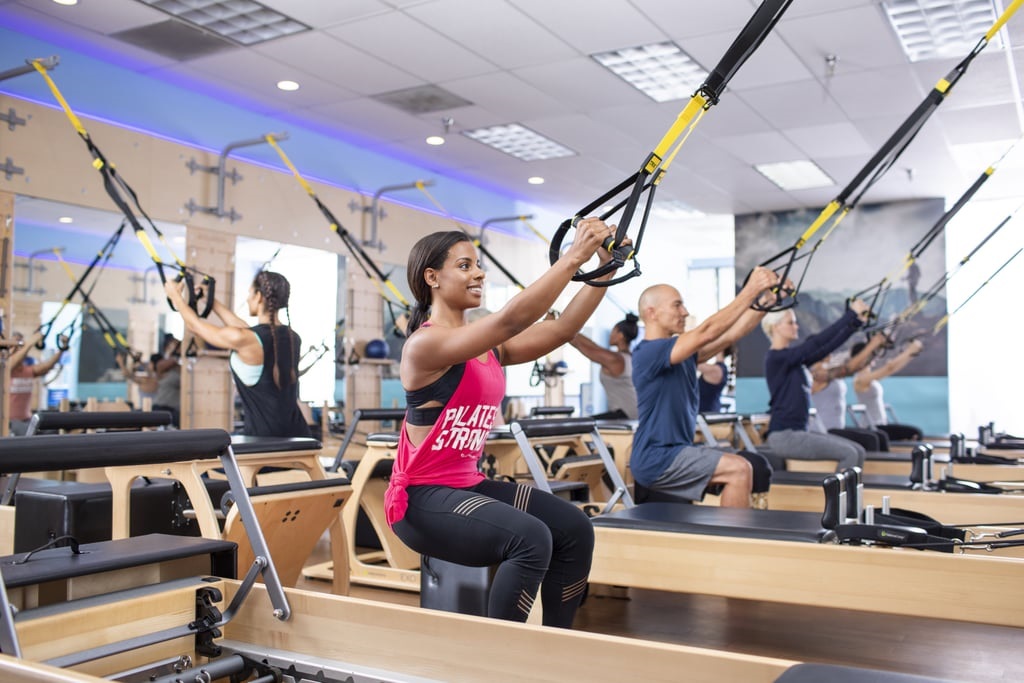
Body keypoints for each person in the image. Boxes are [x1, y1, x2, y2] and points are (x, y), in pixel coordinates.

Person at [384, 220, 618, 627]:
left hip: (466, 485)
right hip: (420, 501)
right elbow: (511, 320)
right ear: (432, 277)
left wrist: (606, 267)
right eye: (465, 265)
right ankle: (503, 661)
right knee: (530, 538)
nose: (478, 273)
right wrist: (575, 255)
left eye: (478, 265)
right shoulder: (426, 344)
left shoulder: (487, 346)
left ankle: (553, 648)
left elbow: (563, 328)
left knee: (574, 528)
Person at [630, 269, 779, 509]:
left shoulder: (682, 354)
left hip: (676, 451)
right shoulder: (648, 352)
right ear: (652, 313)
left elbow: (732, 334)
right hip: (656, 457)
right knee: (739, 469)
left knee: (745, 468)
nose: (685, 312)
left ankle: (736, 539)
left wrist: (764, 303)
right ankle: (733, 545)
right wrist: (750, 290)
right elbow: (708, 331)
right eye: (677, 305)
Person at [165, 270, 310, 437]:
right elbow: (246, 331)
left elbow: (195, 326)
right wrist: (210, 300)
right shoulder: (292, 337)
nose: (247, 298)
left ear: (259, 296)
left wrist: (175, 296)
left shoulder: (248, 339)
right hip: (298, 433)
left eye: (249, 293)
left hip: (264, 439)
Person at [762, 301, 871, 471]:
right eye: (791, 323)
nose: (796, 327)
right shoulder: (776, 359)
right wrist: (850, 314)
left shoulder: (794, 361)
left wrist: (855, 324)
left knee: (859, 451)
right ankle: (839, 497)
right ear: (775, 327)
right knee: (850, 454)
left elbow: (826, 347)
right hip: (785, 436)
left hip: (799, 432)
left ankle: (849, 495)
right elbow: (816, 342)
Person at [809, 333, 889, 451]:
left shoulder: (829, 369)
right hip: (824, 430)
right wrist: (872, 345)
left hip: (837, 428)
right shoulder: (815, 375)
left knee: (880, 437)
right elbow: (849, 367)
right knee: (871, 440)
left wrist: (877, 348)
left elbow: (856, 366)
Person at [568, 312, 639, 420]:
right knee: (583, 423)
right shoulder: (628, 357)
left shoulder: (616, 360)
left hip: (626, 415)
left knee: (582, 424)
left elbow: (584, 346)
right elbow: (593, 346)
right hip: (629, 413)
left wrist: (563, 331)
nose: (610, 335)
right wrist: (564, 327)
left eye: (613, 331)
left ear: (620, 335)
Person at [852, 337, 924, 441]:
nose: (875, 356)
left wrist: (910, 355)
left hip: (880, 424)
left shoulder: (868, 376)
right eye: (872, 354)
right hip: (871, 427)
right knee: (915, 433)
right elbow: (889, 368)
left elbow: (893, 368)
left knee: (915, 433)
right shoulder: (860, 379)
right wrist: (909, 351)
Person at [8, 331, 63, 436]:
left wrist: (62, 349)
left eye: (20, 346)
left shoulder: (27, 370)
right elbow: (10, 363)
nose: (19, 349)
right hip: (9, 423)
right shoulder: (5, 371)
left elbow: (47, 366)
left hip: (27, 420)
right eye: (16, 346)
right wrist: (29, 344)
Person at [697, 347, 733, 414]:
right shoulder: (721, 369)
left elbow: (690, 362)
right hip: (709, 412)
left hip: (706, 415)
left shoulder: (716, 370)